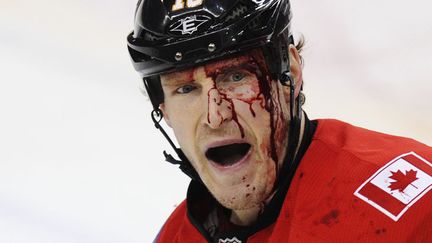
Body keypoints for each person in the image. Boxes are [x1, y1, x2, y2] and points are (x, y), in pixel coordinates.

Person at [127, 0, 432, 242]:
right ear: (163, 109)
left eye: (235, 76)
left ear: (291, 75)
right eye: (186, 89)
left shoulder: (415, 211)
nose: (214, 116)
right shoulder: (175, 236)